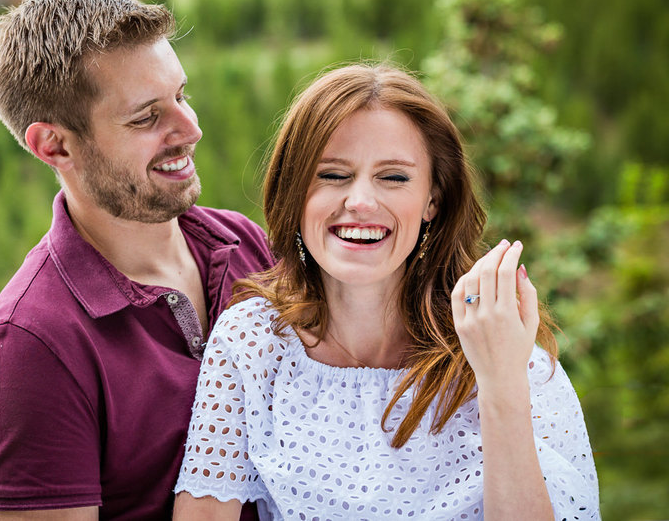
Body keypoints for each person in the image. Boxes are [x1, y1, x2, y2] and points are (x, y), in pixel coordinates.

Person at [173, 64, 599, 520]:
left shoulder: (507, 353)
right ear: (295, 193)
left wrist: (500, 383)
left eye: (394, 178)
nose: (360, 201)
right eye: (332, 175)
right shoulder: (253, 341)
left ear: (433, 200)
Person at [0, 0, 274, 520]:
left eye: (183, 95)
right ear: (54, 146)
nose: (190, 129)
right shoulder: (29, 347)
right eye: (146, 118)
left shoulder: (244, 243)